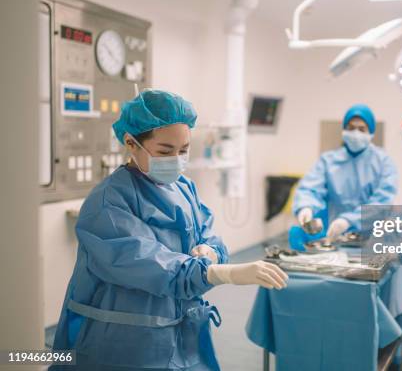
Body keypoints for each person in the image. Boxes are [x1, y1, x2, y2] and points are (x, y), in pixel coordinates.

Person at [51, 90, 287, 371]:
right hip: (123, 343)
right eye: (165, 151)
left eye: (183, 150)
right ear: (131, 143)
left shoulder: (183, 188)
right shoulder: (108, 202)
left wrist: (211, 251)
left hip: (180, 333)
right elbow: (147, 263)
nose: (176, 159)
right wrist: (222, 273)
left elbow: (207, 233)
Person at [292, 104, 398, 241]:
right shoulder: (328, 160)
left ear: (371, 132)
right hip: (335, 235)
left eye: (362, 129)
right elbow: (310, 188)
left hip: (372, 237)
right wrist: (305, 207)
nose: (356, 133)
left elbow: (382, 202)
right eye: (351, 128)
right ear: (344, 130)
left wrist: (349, 221)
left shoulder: (383, 162)